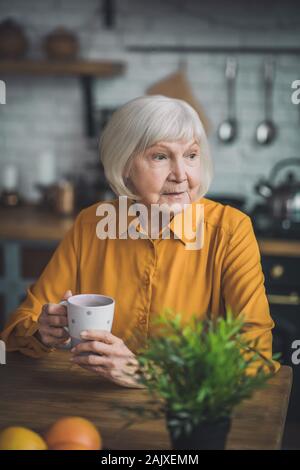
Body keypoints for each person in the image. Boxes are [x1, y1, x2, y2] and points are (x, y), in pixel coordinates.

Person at [0, 95, 280, 388]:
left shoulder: (231, 230)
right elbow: (20, 324)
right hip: (95, 403)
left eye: (191, 156)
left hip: (192, 410)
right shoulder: (90, 224)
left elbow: (255, 353)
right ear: (124, 167)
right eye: (160, 157)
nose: (181, 175)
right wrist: (42, 332)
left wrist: (145, 374)